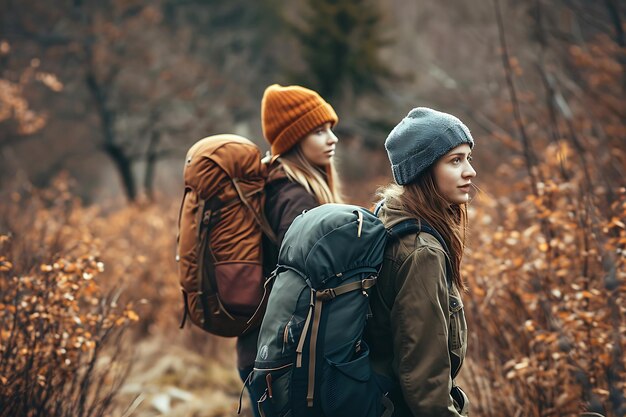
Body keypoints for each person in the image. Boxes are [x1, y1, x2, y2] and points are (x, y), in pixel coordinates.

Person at [237, 84, 343, 416]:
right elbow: (303, 285)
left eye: (330, 128)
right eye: (319, 131)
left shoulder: (273, 184)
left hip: (262, 352)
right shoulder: (296, 197)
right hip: (285, 360)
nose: (332, 138)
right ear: (293, 139)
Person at [365, 107, 476, 416]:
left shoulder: (388, 213)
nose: (470, 171)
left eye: (468, 158)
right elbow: (425, 383)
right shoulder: (421, 251)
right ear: (423, 170)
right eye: (455, 161)